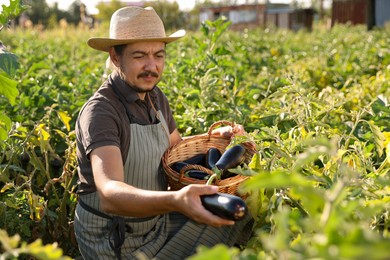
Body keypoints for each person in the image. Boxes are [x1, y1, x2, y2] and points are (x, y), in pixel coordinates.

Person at [74, 6, 253, 260]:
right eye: (139, 56)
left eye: (159, 55)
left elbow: (176, 152)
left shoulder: (155, 97)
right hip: (115, 241)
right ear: (115, 57)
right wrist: (175, 200)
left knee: (230, 220)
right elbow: (110, 194)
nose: (151, 66)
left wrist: (215, 138)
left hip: (154, 224)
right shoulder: (102, 112)